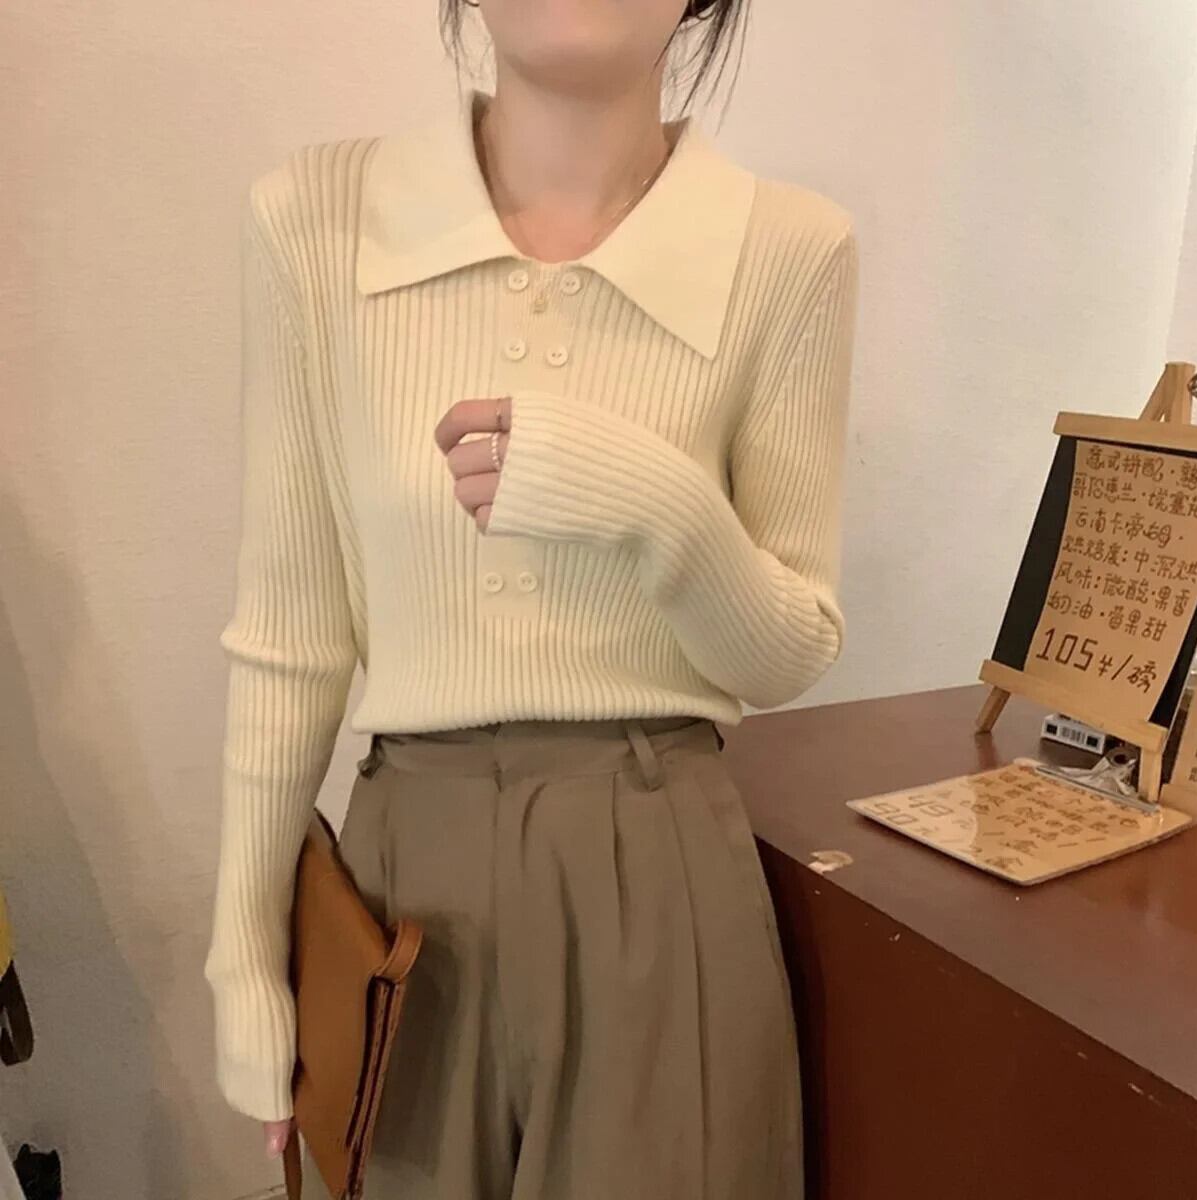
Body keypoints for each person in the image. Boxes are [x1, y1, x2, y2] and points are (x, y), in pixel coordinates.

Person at [203, 0, 859, 1195]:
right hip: (405, 881)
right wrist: (243, 951)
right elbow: (292, 636)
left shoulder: (787, 249)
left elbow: (787, 649)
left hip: (659, 872)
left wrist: (659, 504)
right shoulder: (316, 221)